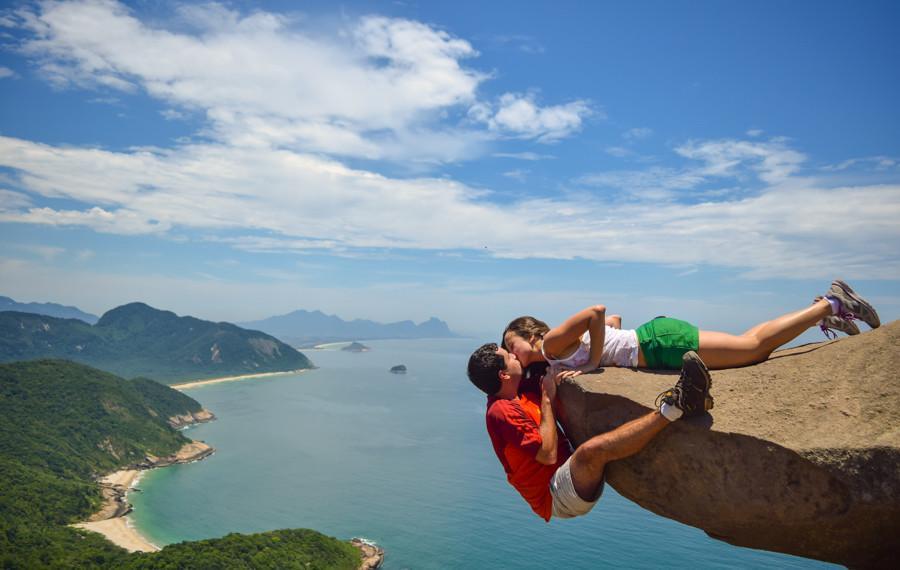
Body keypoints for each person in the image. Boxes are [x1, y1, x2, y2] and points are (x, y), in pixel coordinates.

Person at [466, 345, 713, 521]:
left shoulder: (520, 389)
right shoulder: (501, 411)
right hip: (555, 496)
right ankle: (678, 405)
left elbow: (554, 352)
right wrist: (547, 400)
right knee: (591, 453)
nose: (514, 354)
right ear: (504, 374)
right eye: (508, 356)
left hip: (565, 472)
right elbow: (547, 454)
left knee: (589, 450)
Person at [502, 279, 880, 374]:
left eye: (511, 343)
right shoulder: (551, 356)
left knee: (753, 349)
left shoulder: (549, 345)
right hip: (655, 337)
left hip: (659, 346)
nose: (512, 352)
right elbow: (613, 321)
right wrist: (608, 346)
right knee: (747, 341)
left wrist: (592, 363)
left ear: (530, 334)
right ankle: (821, 311)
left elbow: (597, 313)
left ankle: (833, 302)